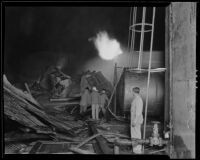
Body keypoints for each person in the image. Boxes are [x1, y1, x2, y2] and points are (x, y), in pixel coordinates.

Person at [130, 87, 143, 154]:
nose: (131, 93)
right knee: (134, 134)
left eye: (132, 91)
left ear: (134, 92)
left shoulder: (138, 100)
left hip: (136, 120)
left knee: (137, 134)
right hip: (134, 120)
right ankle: (135, 149)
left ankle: (137, 150)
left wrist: (135, 121)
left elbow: (138, 112)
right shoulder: (136, 99)